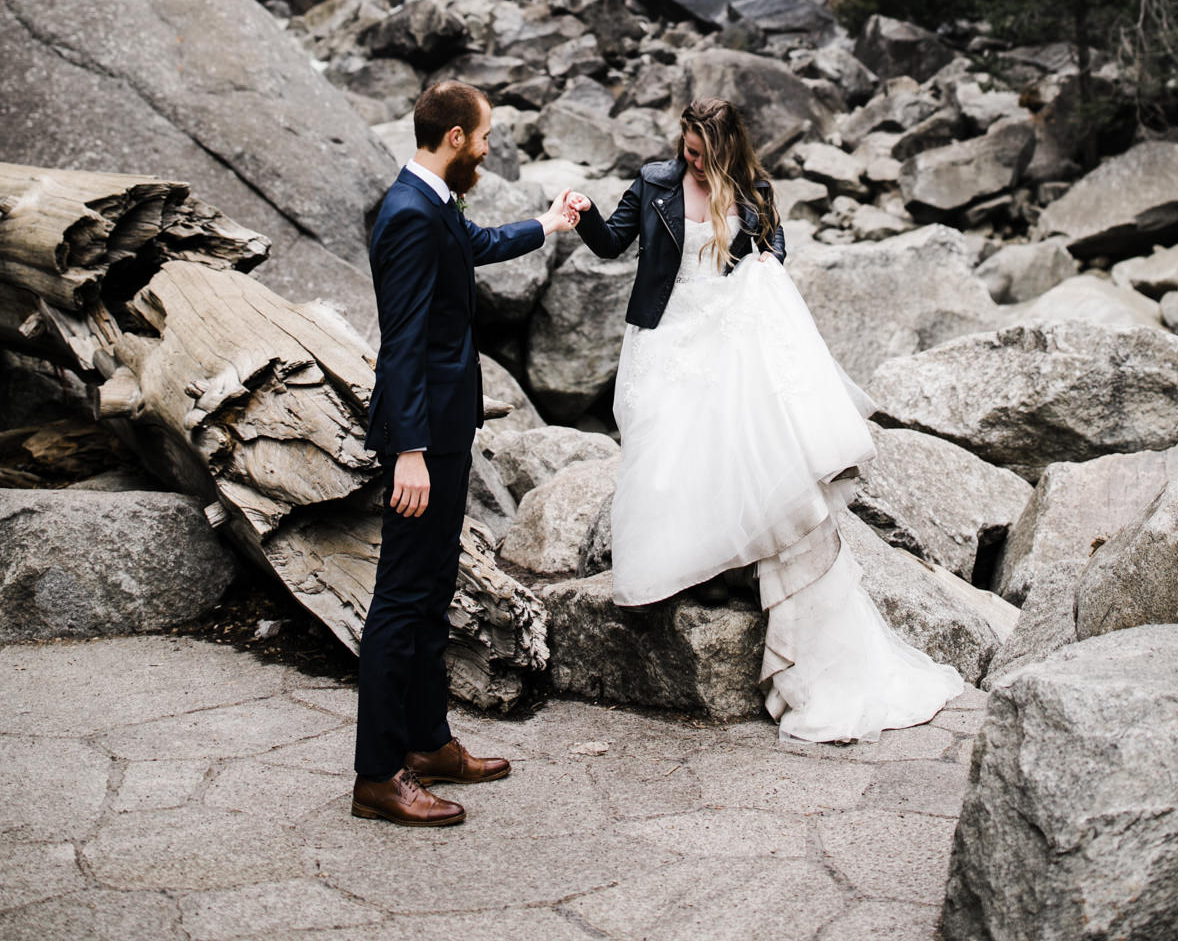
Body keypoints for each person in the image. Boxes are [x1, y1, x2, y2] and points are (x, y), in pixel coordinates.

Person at [573, 96, 965, 743]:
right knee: (658, 445)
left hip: (725, 334)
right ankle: (674, 565)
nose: (689, 160)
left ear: (725, 148)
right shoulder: (653, 183)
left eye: (700, 153)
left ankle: (725, 561)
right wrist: (582, 215)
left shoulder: (753, 189)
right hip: (663, 335)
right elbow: (613, 243)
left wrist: (764, 260)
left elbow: (773, 241)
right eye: (685, 149)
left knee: (721, 447)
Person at [352, 79, 584, 825]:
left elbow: (476, 246)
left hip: (448, 431)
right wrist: (409, 451)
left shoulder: (432, 202)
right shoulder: (410, 216)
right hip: (424, 440)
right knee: (400, 603)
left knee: (430, 594)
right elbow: (402, 344)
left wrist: (546, 225)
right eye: (483, 137)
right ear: (454, 137)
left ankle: (427, 743)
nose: (487, 149)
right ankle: (377, 776)